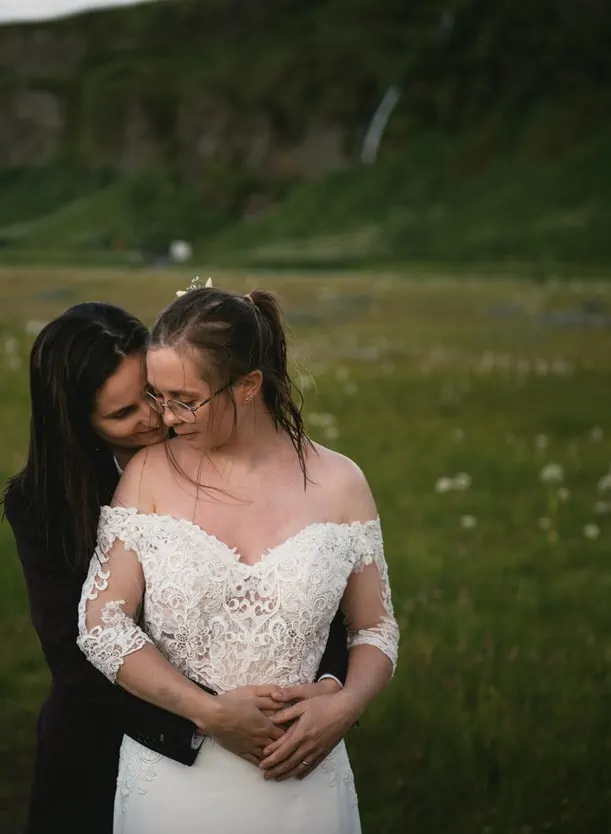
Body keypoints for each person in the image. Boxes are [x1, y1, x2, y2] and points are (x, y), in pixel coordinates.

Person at [0, 302, 352, 834]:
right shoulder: (41, 504)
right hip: (107, 740)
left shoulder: (213, 443)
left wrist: (328, 685)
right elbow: (75, 658)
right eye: (122, 415)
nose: (156, 418)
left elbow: (304, 581)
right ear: (77, 424)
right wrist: (207, 720)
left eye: (152, 394)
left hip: (260, 743)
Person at [76, 287, 399, 833]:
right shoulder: (149, 475)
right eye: (158, 396)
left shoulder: (342, 482)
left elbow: (375, 626)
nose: (168, 417)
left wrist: (343, 705)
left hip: (305, 783)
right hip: (175, 785)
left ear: (248, 386)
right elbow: (101, 625)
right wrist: (208, 712)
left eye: (186, 399)